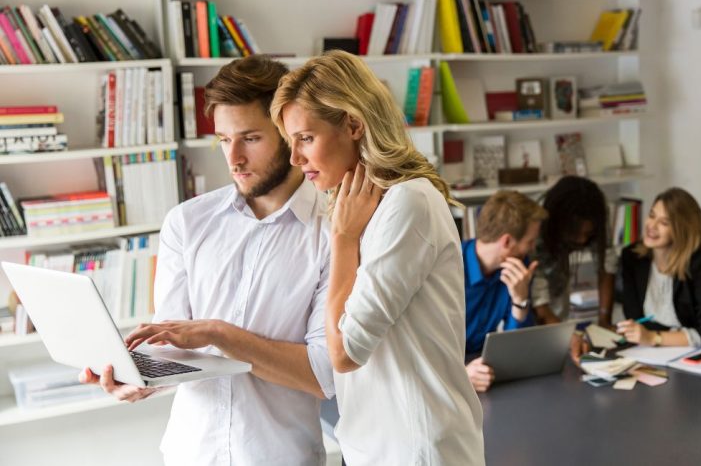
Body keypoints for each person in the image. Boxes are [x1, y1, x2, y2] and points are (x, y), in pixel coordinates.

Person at [80, 56, 336, 465]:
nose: (233, 158)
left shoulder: (333, 233)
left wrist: (220, 333)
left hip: (281, 456)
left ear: (290, 135)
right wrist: (140, 379)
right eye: (222, 139)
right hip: (190, 451)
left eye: (250, 138)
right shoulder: (187, 222)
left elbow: (323, 375)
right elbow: (174, 344)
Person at [270, 50, 484, 465]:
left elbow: (345, 353)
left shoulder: (408, 203)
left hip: (416, 450)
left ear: (353, 124)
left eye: (306, 138)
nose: (295, 159)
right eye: (290, 142)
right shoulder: (356, 207)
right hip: (370, 444)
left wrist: (344, 241)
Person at [616, 188, 701, 348]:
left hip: (698, 356)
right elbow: (634, 318)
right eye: (652, 215)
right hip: (652, 355)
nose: (652, 226)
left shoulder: (697, 263)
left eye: (664, 223)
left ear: (681, 231)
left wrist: (653, 337)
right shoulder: (632, 258)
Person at [462, 190, 547, 392]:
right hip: (444, 379)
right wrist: (460, 374)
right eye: (530, 241)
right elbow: (416, 345)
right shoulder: (445, 268)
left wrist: (520, 301)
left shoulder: (518, 268)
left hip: (484, 373)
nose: (532, 248)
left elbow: (518, 349)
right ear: (507, 241)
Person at [530, 176, 617, 361]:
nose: (581, 241)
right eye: (575, 233)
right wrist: (566, 337)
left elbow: (607, 264)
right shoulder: (536, 222)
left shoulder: (596, 212)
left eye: (588, 234)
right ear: (559, 224)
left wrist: (604, 319)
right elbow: (540, 305)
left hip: (559, 283)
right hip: (530, 293)